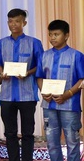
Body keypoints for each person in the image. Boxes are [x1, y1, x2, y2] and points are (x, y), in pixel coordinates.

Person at [0, 8, 42, 161]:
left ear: (24, 22)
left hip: (27, 93)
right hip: (7, 95)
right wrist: (2, 72)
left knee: (28, 133)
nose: (13, 24)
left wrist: (28, 73)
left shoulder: (34, 43)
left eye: (17, 21)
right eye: (10, 21)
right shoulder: (0, 43)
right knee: (10, 132)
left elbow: (40, 65)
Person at [36, 20, 84, 161]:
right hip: (49, 105)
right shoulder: (44, 56)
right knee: (51, 142)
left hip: (70, 106)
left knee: (72, 141)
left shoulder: (76, 56)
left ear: (66, 35)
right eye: (50, 34)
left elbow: (82, 80)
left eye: (56, 34)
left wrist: (67, 94)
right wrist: (43, 91)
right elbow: (39, 77)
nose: (52, 38)